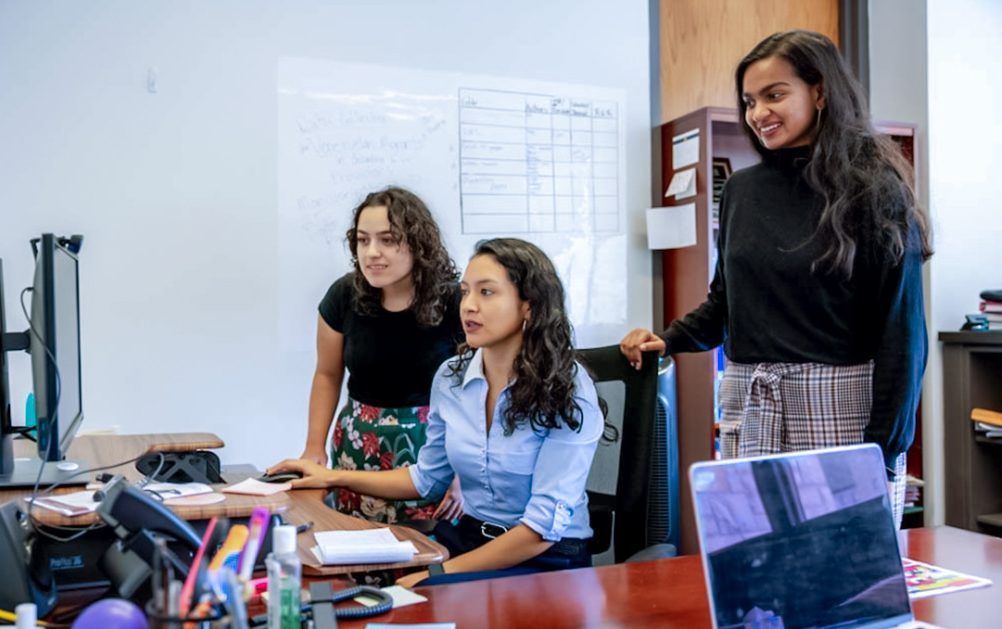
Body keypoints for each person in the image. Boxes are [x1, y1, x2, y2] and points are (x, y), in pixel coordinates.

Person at [621, 30, 931, 528]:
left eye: (774, 95)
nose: (757, 113)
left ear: (821, 93)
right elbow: (727, 303)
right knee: (754, 583)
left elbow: (904, 333)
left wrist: (884, 449)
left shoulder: (875, 190)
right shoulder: (741, 190)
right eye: (748, 101)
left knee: (839, 587)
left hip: (842, 413)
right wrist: (670, 338)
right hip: (750, 404)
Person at [270, 238, 604, 588]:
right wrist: (334, 477)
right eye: (466, 292)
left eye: (486, 293)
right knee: (341, 582)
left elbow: (541, 531)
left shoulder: (568, 389)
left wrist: (434, 574)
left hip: (544, 558)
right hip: (466, 538)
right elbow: (427, 478)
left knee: (417, 597)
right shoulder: (451, 377)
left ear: (529, 307)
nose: (468, 306)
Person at [301, 187, 464, 525]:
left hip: (433, 450)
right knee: (356, 553)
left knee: (425, 559)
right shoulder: (344, 294)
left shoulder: (456, 302)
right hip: (358, 447)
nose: (372, 252)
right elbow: (328, 374)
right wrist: (314, 448)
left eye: (388, 240)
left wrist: (467, 474)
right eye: (363, 241)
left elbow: (481, 395)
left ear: (419, 243)